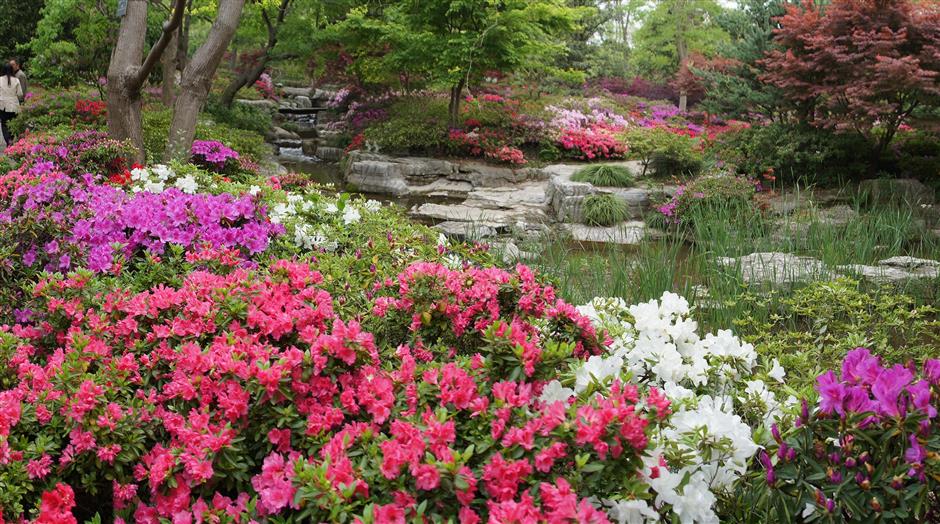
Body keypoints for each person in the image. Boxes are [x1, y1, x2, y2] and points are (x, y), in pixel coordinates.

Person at [0, 63, 23, 146]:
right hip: (14, 105)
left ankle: (8, 141)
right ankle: (11, 139)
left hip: (3, 106)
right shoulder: (16, 80)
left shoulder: (0, 79)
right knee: (13, 123)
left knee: (4, 124)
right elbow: (20, 94)